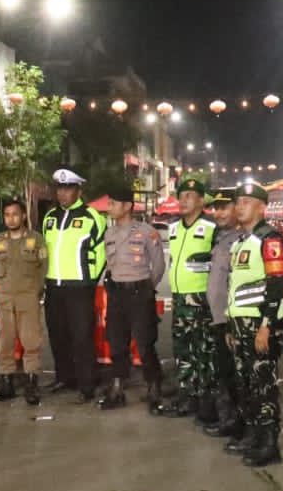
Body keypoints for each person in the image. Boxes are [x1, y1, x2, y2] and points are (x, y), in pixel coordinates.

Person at [225, 182, 283, 467]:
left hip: (260, 323)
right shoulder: (240, 242)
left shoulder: (269, 239)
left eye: (247, 202)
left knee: (264, 385)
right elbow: (235, 286)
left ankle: (269, 444)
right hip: (240, 324)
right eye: (238, 201)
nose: (240, 207)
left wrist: (267, 325)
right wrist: (230, 325)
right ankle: (252, 435)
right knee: (246, 383)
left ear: (262, 207)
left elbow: (276, 284)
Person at [41, 168, 106, 403]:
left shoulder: (92, 217)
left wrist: (89, 281)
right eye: (60, 188)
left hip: (79, 288)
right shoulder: (49, 217)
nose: (63, 193)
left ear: (78, 190)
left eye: (68, 188)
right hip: (54, 287)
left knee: (82, 338)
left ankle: (87, 384)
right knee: (58, 335)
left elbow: (101, 252)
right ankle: (64, 377)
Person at [99, 183, 166, 410]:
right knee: (116, 342)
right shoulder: (109, 233)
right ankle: (117, 388)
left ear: (127, 206)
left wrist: (145, 287)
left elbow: (158, 265)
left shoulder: (147, 232)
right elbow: (110, 265)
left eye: (113, 203)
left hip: (140, 293)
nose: (109, 207)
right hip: (117, 294)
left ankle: (154, 386)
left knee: (145, 343)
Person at [155, 177, 217, 419]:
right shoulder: (174, 228)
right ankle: (187, 397)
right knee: (182, 350)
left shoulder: (212, 228)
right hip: (180, 298)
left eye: (189, 196)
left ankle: (206, 401)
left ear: (201, 201)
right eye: (180, 196)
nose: (183, 201)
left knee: (204, 352)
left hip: (202, 300)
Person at [0, 198, 46, 405]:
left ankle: (31, 384)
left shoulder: (36, 239)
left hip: (28, 298)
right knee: (4, 342)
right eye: (7, 215)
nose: (11, 219)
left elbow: (43, 267)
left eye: (15, 214)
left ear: (23, 216)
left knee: (31, 342)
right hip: (5, 299)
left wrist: (36, 292)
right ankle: (6, 383)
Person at [203, 187, 244, 439]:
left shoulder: (242, 240)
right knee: (224, 371)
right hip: (218, 317)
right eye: (215, 208)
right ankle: (228, 418)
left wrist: (230, 320)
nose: (218, 213)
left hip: (232, 319)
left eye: (224, 208)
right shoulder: (220, 238)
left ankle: (237, 423)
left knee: (236, 374)